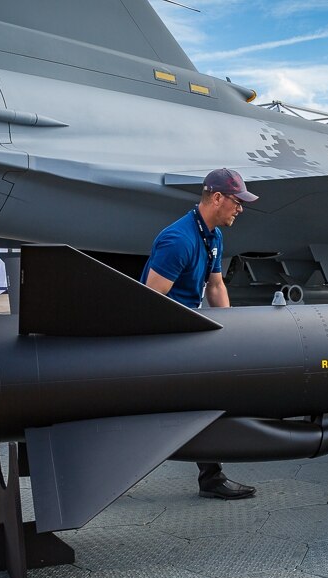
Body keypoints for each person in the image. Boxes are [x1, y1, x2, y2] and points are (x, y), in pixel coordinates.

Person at [142, 168, 258, 500]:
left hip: (188, 330)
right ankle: (211, 477)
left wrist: (229, 329)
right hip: (166, 333)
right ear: (217, 198)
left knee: (201, 398)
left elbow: (216, 285)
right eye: (237, 201)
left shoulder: (213, 236)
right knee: (198, 399)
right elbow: (152, 300)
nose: (240, 209)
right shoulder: (179, 240)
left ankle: (210, 476)